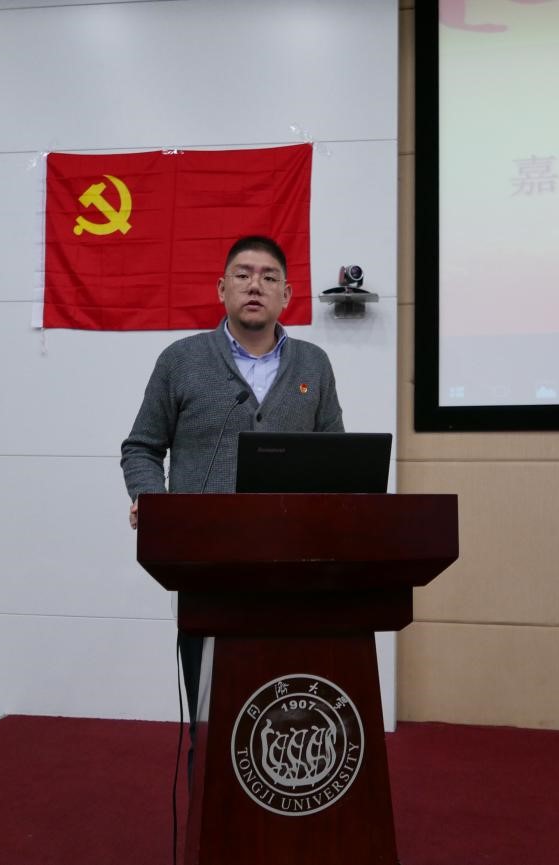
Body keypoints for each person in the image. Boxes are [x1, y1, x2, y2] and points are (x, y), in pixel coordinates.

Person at [120, 235, 344, 772]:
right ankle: (208, 800)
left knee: (288, 711)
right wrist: (153, 502)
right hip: (208, 565)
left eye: (269, 276)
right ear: (221, 289)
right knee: (212, 715)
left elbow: (338, 460)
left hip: (293, 566)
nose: (255, 285)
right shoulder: (181, 360)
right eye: (243, 275)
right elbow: (142, 448)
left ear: (286, 294)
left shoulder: (314, 364)